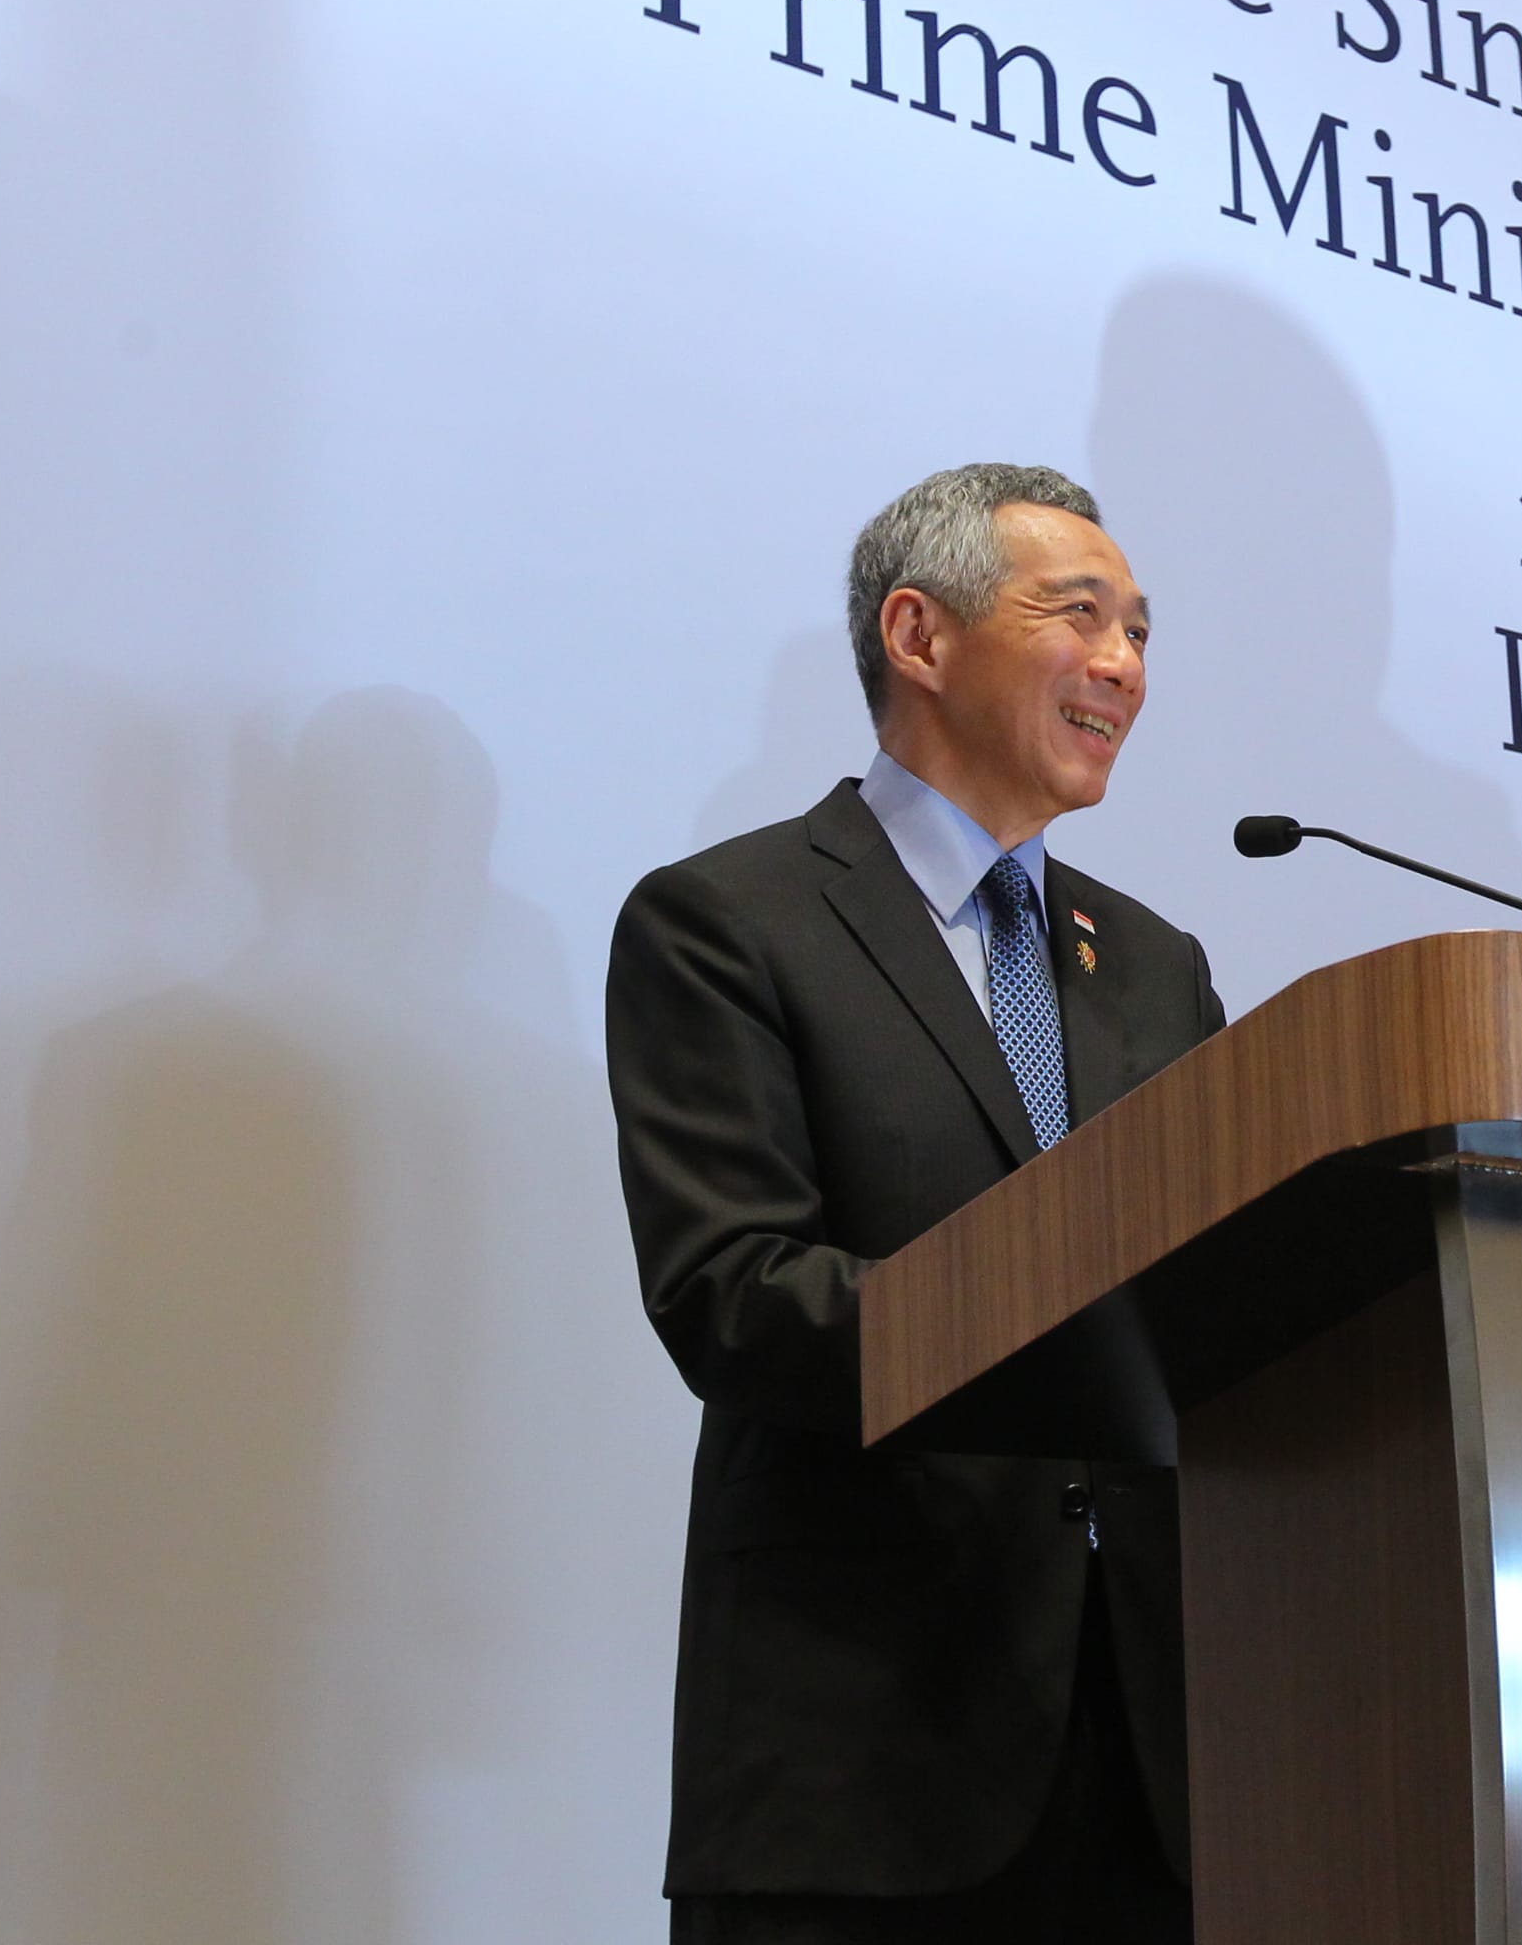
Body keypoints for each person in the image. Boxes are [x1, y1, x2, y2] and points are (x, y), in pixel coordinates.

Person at [607, 465, 1223, 1944]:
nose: (1125, 665)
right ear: (920, 637)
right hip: (861, 1757)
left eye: (1141, 630)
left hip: (1160, 1764)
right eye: (1082, 616)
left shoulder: (1152, 966)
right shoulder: (727, 923)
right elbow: (736, 1294)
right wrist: (1069, 1318)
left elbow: (1222, 1292)